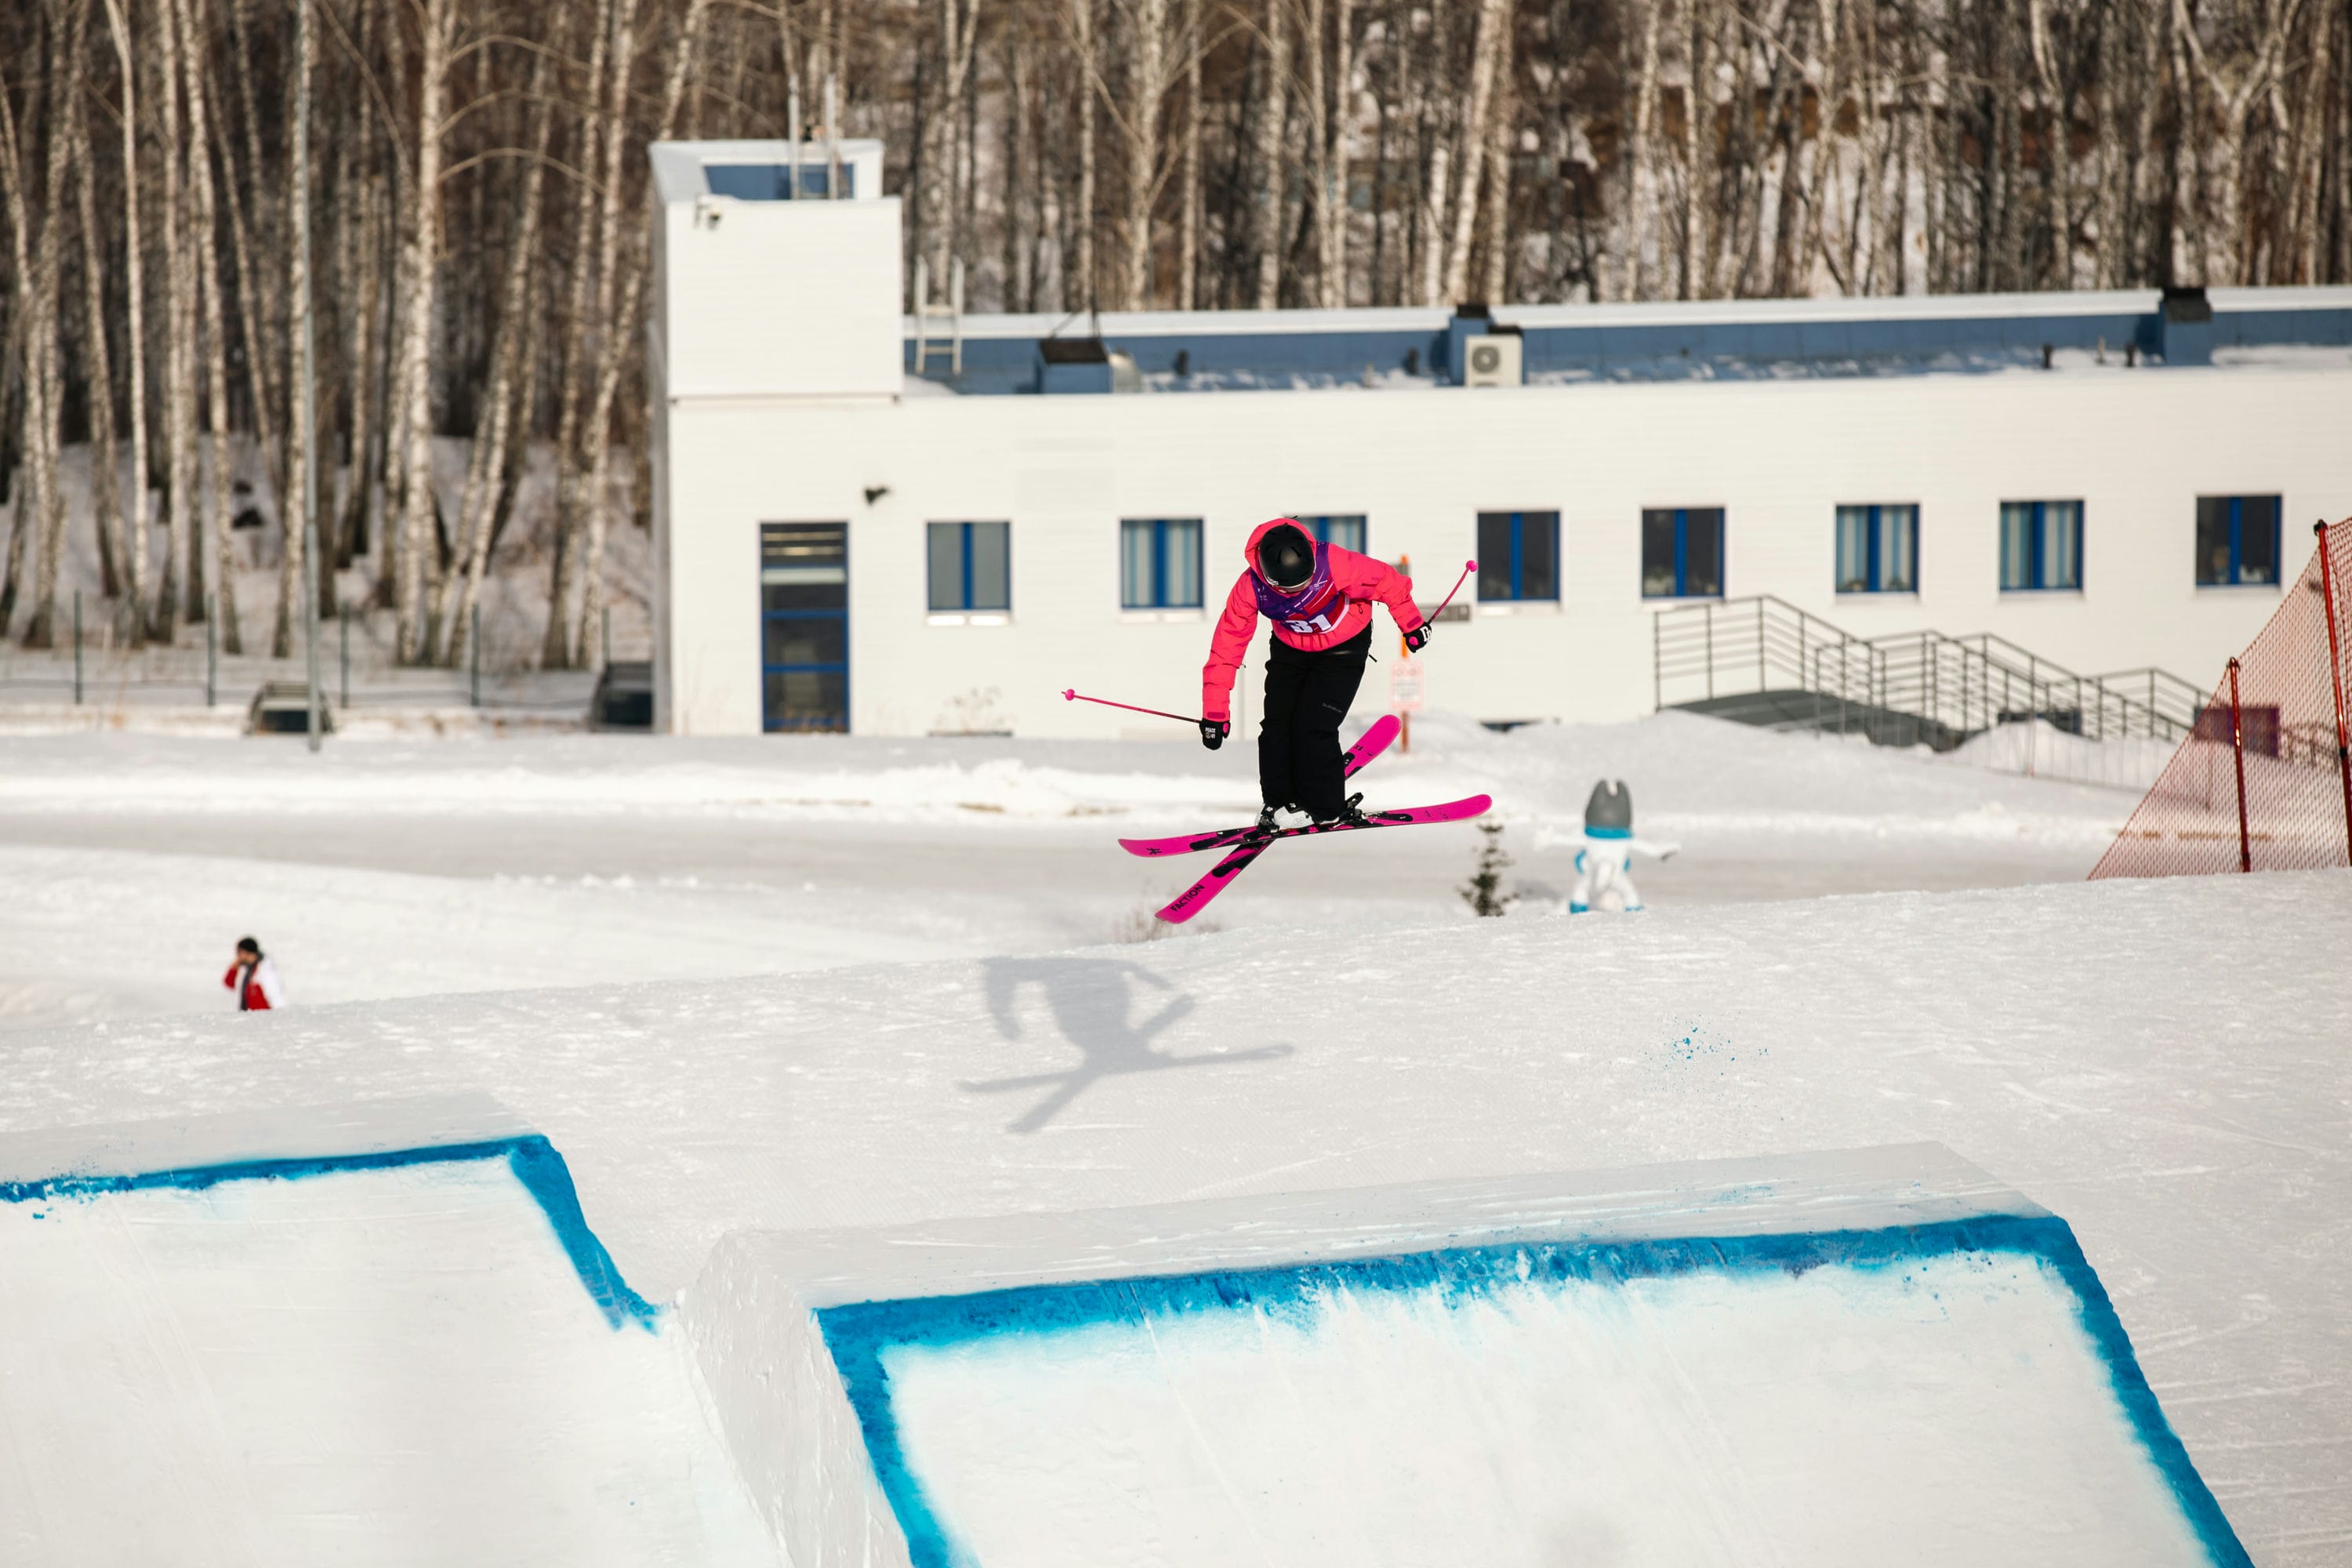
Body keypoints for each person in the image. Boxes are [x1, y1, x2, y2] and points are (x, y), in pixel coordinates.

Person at [1200, 518, 1429, 831]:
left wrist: (1412, 624)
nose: (1301, 592)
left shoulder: (1334, 563)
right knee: (1275, 728)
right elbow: (1226, 647)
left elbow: (1388, 582)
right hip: (1291, 649)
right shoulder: (1250, 587)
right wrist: (1215, 714)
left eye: (1306, 582)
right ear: (1270, 580)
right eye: (1291, 588)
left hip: (1343, 648)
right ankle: (1279, 803)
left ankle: (1325, 807)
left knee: (1312, 726)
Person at [223, 936, 283, 1011]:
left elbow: (277, 998)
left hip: (264, 1016)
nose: (237, 956)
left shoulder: (266, 972)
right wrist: (234, 968)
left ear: (245, 952)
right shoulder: (245, 970)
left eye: (239, 952)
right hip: (247, 1015)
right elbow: (229, 984)